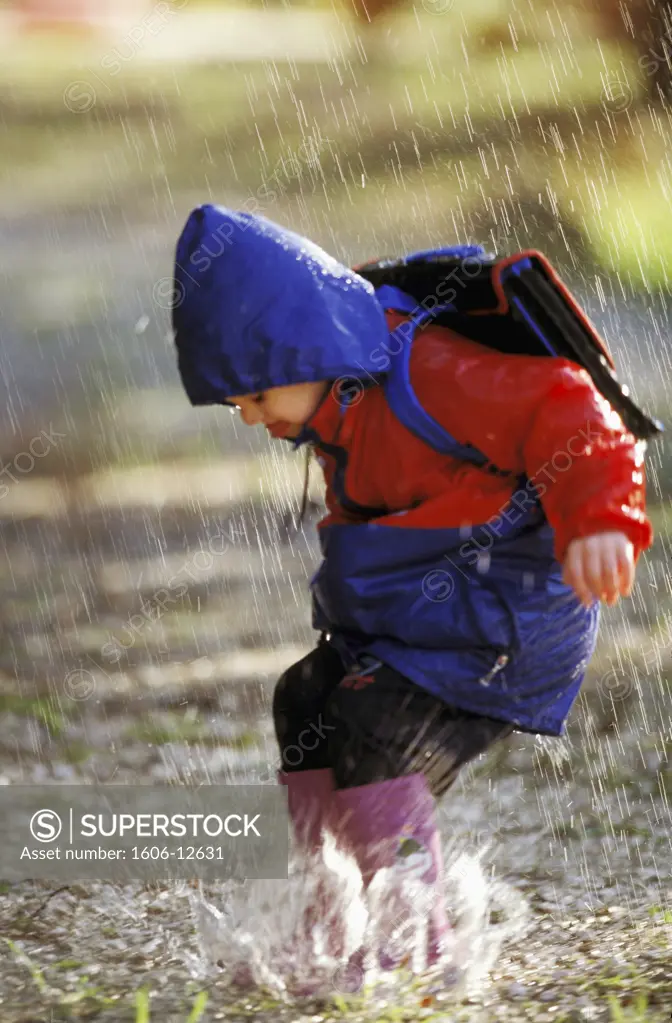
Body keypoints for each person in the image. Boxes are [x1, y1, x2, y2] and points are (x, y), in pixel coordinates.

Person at [172, 203, 654, 983]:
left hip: (511, 616)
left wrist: (599, 517)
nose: (253, 420)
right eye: (239, 409)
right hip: (436, 616)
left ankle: (418, 946)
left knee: (372, 731)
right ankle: (332, 914)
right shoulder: (335, 405)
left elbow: (566, 405)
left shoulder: (427, 371)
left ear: (301, 347)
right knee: (302, 698)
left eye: (255, 397)